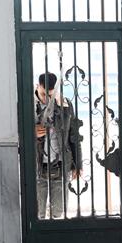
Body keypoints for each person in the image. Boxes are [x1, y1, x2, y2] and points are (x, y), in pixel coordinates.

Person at [34, 72, 82, 219]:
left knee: (59, 213)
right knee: (37, 213)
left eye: (50, 95)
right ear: (37, 86)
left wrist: (78, 163)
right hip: (36, 165)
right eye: (43, 94)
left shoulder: (65, 104)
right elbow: (14, 131)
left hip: (61, 164)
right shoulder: (28, 105)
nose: (46, 99)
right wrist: (31, 132)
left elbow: (74, 135)